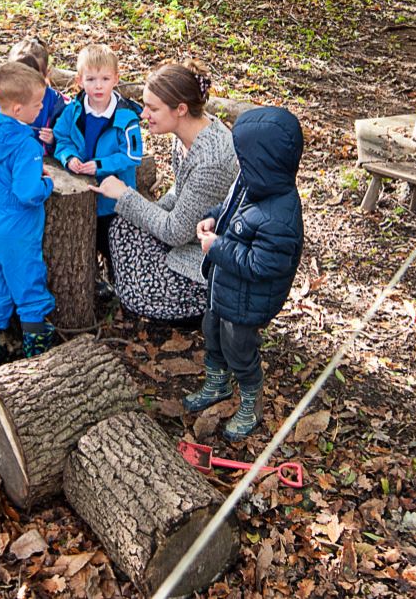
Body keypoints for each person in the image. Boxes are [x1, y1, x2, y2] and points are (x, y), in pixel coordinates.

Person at [187, 106, 304, 441]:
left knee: (239, 348)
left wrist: (217, 248)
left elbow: (262, 265)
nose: (239, 162)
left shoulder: (281, 215)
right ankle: (217, 383)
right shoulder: (250, 181)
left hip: (248, 300)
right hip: (222, 287)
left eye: (245, 156)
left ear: (264, 160)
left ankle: (251, 397)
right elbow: (229, 209)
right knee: (212, 332)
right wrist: (213, 217)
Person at [90, 62, 237, 323]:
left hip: (206, 263)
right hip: (188, 233)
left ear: (180, 109)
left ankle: (194, 313)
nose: (144, 114)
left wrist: (126, 195)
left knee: (135, 291)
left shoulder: (211, 161)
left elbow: (176, 232)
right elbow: (179, 191)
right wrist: (144, 210)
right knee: (122, 227)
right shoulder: (186, 133)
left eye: (153, 108)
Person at [0, 62, 57, 371]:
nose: (40, 109)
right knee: (28, 287)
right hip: (16, 228)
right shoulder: (26, 145)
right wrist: (46, 182)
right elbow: (28, 193)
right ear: (19, 109)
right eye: (37, 105)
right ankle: (37, 356)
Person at [53, 44, 143, 274]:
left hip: (114, 201)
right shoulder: (74, 110)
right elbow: (61, 138)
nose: (98, 85)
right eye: (91, 79)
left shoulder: (125, 117)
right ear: (79, 80)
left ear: (116, 79)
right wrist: (68, 157)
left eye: (105, 78)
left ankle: (120, 284)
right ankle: (93, 279)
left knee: (113, 246)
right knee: (82, 246)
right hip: (80, 195)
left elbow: (132, 155)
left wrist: (100, 165)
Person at [0, 37, 67, 156]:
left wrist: (53, 139)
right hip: (3, 154)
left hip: (37, 158)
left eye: (32, 77)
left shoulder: (56, 103)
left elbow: (67, 137)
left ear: (46, 74)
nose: (23, 83)